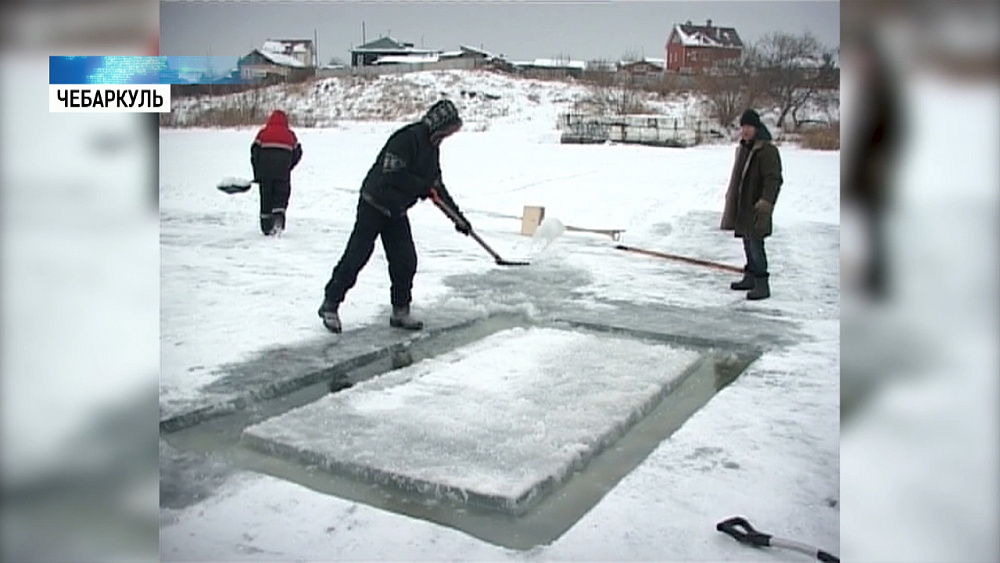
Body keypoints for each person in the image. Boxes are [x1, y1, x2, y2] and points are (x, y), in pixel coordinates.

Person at [317, 100, 471, 333]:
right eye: (448, 130)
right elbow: (393, 174)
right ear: (438, 124)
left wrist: (459, 219)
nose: (448, 135)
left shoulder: (432, 148)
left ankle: (400, 311)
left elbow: (436, 187)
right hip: (374, 203)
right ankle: (330, 304)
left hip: (396, 210)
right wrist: (422, 186)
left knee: (405, 260)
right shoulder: (407, 139)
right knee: (357, 256)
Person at [721, 109, 783, 300]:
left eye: (748, 127)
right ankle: (750, 277)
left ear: (757, 128)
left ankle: (762, 284)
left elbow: (773, 179)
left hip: (757, 205)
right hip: (745, 204)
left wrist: (765, 202)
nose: (745, 131)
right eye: (743, 127)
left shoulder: (766, 150)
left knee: (756, 245)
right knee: (747, 242)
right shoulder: (746, 148)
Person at [251, 110, 302, 235]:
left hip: (265, 173)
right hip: (282, 173)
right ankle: (278, 221)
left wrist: (257, 172)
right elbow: (298, 152)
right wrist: (288, 166)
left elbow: (254, 152)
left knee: (266, 197)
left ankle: (266, 226)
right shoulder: (290, 135)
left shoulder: (262, 133)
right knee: (281, 195)